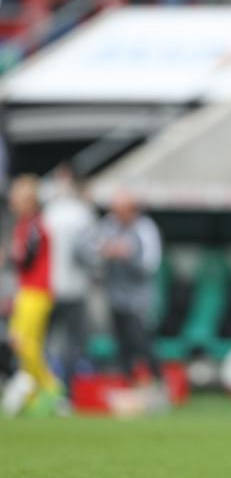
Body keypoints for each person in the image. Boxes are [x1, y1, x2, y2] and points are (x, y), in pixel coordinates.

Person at [80, 189, 163, 386]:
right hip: (115, 296)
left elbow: (150, 265)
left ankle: (159, 381)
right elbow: (89, 249)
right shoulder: (109, 226)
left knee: (141, 341)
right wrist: (104, 252)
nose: (116, 215)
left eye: (120, 211)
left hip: (139, 300)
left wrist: (127, 255)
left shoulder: (145, 228)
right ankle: (128, 384)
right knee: (122, 344)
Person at [5, 174, 62, 413]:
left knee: (21, 339)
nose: (12, 204)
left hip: (36, 291)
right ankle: (34, 391)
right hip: (28, 290)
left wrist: (8, 255)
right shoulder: (26, 224)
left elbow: (27, 257)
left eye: (16, 199)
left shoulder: (34, 225)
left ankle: (49, 385)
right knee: (25, 342)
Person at [42, 164, 96, 392]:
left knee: (46, 341)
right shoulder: (81, 213)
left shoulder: (48, 212)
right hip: (73, 288)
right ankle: (66, 392)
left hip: (47, 286)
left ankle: (45, 388)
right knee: (73, 342)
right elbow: (85, 253)